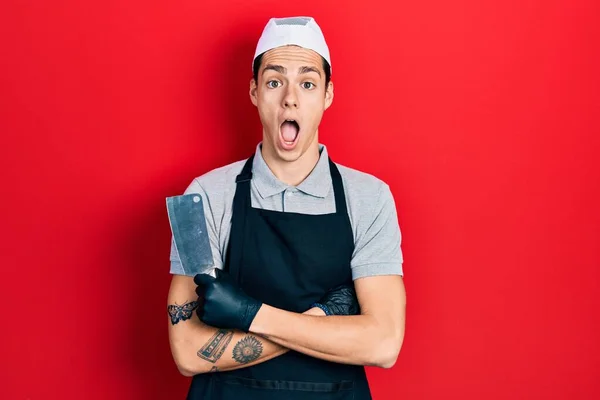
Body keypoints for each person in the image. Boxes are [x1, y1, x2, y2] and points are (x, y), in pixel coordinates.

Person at [167, 16, 406, 399]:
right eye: (274, 82)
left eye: (307, 83)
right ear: (254, 92)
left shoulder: (371, 198)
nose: (290, 98)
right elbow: (188, 352)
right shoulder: (206, 195)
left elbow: (383, 343)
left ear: (328, 95)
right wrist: (326, 317)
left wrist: (250, 314)